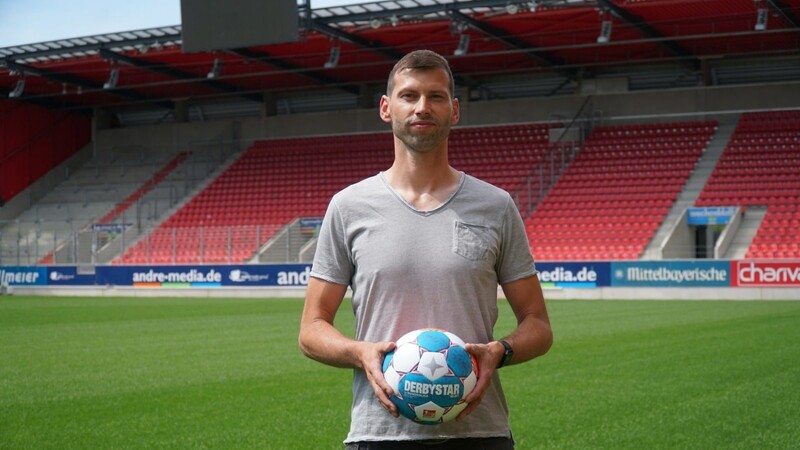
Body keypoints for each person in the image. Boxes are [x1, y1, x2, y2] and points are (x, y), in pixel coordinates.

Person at [298, 49, 553, 449]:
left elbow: (538, 324)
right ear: (386, 108)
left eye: (435, 97)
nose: (422, 107)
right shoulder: (348, 207)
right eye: (409, 95)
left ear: (454, 110)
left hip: (479, 433)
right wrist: (359, 352)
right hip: (379, 434)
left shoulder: (496, 205)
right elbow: (311, 330)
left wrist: (497, 352)